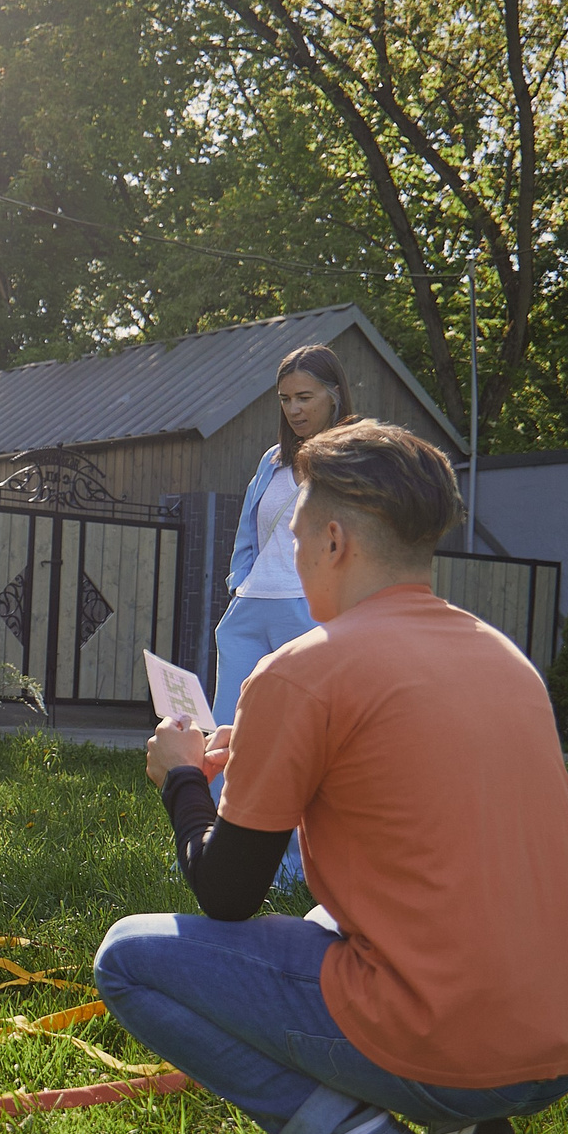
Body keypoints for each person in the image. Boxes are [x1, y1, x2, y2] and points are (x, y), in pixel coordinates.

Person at [94, 421, 568, 1134]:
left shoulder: (306, 667)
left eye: (296, 535)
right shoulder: (503, 657)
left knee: (125, 957)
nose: (294, 553)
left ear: (334, 540)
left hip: (452, 1036)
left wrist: (185, 780)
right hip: (567, 1034)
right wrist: (256, 745)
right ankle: (474, 1131)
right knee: (344, 921)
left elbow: (227, 892)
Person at [214, 343, 358, 889]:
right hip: (250, 612)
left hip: (309, 613)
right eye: (285, 399)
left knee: (302, 745)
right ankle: (225, 856)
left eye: (305, 396)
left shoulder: (355, 457)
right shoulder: (272, 462)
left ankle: (298, 871)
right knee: (231, 739)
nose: (294, 409)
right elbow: (249, 530)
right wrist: (240, 586)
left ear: (334, 394)